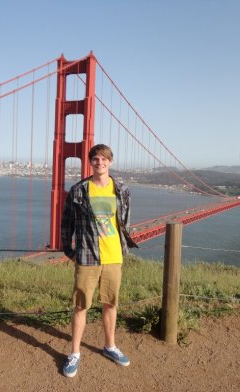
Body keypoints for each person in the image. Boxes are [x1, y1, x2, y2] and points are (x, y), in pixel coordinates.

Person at [61, 144, 138, 378]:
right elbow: (66, 223)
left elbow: (123, 221)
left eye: (104, 159)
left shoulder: (122, 189)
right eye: (95, 159)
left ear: (110, 162)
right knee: (81, 305)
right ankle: (74, 352)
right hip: (87, 256)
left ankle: (109, 346)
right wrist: (69, 249)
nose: (100, 163)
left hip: (113, 256)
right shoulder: (78, 190)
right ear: (90, 162)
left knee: (111, 303)